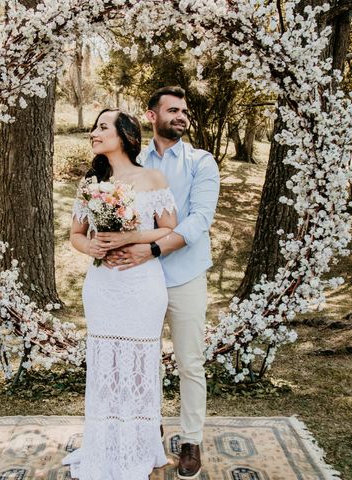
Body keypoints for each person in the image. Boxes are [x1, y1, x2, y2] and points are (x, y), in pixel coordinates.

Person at [105, 86, 221, 479]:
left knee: (190, 361)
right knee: (143, 360)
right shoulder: (134, 163)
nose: (182, 116)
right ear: (152, 116)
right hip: (140, 280)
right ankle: (148, 431)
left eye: (185, 111)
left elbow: (199, 220)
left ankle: (191, 439)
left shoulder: (201, 162)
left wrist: (153, 251)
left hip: (184, 275)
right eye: (173, 110)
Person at [62, 108, 178, 479]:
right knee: (106, 366)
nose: (95, 133)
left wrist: (131, 237)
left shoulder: (152, 178)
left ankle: (139, 447)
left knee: (140, 367)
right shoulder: (91, 182)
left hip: (142, 285)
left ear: (125, 136)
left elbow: (168, 229)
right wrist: (91, 248)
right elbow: (76, 235)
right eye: (95, 128)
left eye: (102, 127)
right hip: (103, 286)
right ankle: (105, 446)